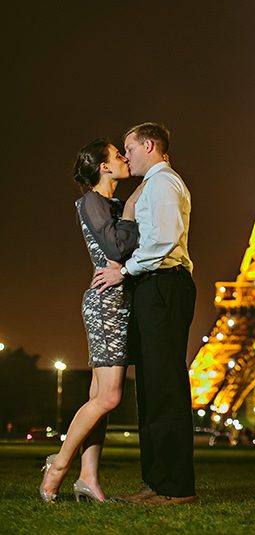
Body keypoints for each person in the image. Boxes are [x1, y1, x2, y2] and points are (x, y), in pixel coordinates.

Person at [91, 122, 197, 506]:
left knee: (164, 385)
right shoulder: (154, 185)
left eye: (128, 148)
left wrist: (125, 270)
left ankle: (175, 487)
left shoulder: (164, 183)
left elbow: (164, 239)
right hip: (154, 286)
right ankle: (157, 482)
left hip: (163, 282)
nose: (125, 155)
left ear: (148, 146)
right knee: (152, 388)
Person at [39, 140, 140, 502]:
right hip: (106, 303)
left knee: (100, 396)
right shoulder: (94, 202)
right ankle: (59, 465)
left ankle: (89, 478)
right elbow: (115, 248)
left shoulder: (108, 203)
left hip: (118, 301)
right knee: (110, 397)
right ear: (103, 167)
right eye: (117, 155)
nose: (124, 159)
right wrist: (130, 208)